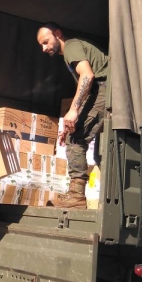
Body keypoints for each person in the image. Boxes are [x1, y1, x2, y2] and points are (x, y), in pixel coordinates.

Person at [37, 22, 108, 209]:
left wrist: (74, 110)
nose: (44, 48)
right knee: (74, 135)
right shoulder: (72, 50)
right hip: (102, 91)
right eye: (41, 45)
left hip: (105, 89)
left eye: (46, 42)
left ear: (58, 34)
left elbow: (87, 76)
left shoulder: (71, 46)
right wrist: (70, 123)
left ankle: (76, 196)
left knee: (76, 139)